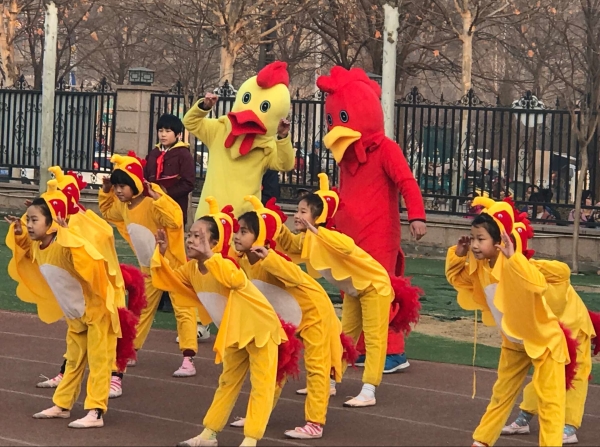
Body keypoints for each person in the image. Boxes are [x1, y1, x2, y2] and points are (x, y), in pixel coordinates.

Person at [151, 197, 296, 447]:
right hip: (234, 333)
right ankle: (209, 434)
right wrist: (161, 254)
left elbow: (235, 281)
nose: (191, 239)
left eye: (199, 236)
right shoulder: (192, 269)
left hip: (260, 329)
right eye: (190, 234)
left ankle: (251, 439)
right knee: (227, 382)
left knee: (262, 385)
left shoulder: (225, 263)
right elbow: (168, 281)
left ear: (215, 243)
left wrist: (211, 255)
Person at [316, 66, 425, 374]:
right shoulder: (345, 156)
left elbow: (406, 181)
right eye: (332, 120)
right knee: (352, 293)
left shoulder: (385, 149)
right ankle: (362, 347)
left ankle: (393, 351)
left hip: (378, 234)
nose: (335, 127)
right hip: (349, 237)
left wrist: (416, 215)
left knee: (380, 292)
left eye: (342, 119)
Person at [446, 197, 571, 447]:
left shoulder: (516, 263)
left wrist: (515, 259)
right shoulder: (479, 269)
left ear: (498, 241)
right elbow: (457, 280)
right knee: (501, 395)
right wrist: (457, 255)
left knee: (550, 404)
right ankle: (481, 441)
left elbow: (539, 283)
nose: (475, 245)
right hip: (514, 341)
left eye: (481, 239)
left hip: (544, 342)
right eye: (473, 238)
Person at [228, 195, 353, 439]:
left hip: (314, 313)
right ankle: (258, 413)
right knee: (273, 367)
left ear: (260, 237)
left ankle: (315, 423)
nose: (236, 236)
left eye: (244, 232)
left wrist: (269, 257)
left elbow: (293, 276)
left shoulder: (273, 259)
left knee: (317, 367)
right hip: (286, 318)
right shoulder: (242, 261)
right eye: (237, 230)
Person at [5, 181, 124, 428]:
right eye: (28, 219)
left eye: (34, 220)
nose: (29, 224)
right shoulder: (40, 246)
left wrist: (68, 233)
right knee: (73, 361)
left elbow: (89, 261)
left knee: (100, 362)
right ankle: (62, 405)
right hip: (76, 315)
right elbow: (28, 251)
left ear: (52, 223)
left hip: (97, 312)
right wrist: (19, 235)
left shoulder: (68, 245)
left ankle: (96, 411)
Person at [276, 175, 399, 408]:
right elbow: (291, 246)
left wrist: (318, 231)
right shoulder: (309, 239)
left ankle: (369, 389)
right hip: (354, 290)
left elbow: (346, 246)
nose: (297, 215)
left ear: (317, 217)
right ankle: (331, 381)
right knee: (345, 338)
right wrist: (275, 225)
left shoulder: (331, 236)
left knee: (373, 339)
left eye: (303, 211)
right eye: (297, 210)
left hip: (374, 287)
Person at [35, 166, 146, 399]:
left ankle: (115, 377)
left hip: (103, 287)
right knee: (76, 335)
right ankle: (66, 375)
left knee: (111, 338)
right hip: (81, 294)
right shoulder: (62, 224)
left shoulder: (87, 223)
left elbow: (97, 250)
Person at [99, 152, 199, 377]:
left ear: (135, 183)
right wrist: (105, 192)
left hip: (172, 266)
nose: (118, 191)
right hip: (148, 266)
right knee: (141, 308)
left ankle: (188, 357)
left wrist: (159, 198)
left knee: (183, 309)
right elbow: (107, 212)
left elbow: (174, 219)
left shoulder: (152, 203)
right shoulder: (124, 206)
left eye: (122, 186)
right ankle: (130, 349)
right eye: (115, 187)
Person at [500, 211, 596, 445]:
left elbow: (562, 272)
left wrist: (524, 263)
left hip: (575, 328)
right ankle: (524, 418)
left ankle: (570, 425)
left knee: (576, 374)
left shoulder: (539, 268)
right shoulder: (502, 274)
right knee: (544, 374)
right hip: (548, 331)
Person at [183, 61, 294, 219]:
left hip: (241, 223)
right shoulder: (219, 130)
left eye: (265, 107)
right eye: (246, 98)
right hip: (210, 219)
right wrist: (204, 107)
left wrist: (283, 138)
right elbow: (190, 123)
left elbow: (285, 164)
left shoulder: (267, 147)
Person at [145, 114, 196, 227]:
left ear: (178, 134)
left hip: (174, 207)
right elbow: (146, 176)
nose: (163, 135)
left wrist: (167, 191)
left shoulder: (183, 154)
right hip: (152, 207)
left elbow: (189, 183)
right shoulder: (154, 153)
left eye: (168, 131)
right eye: (160, 130)